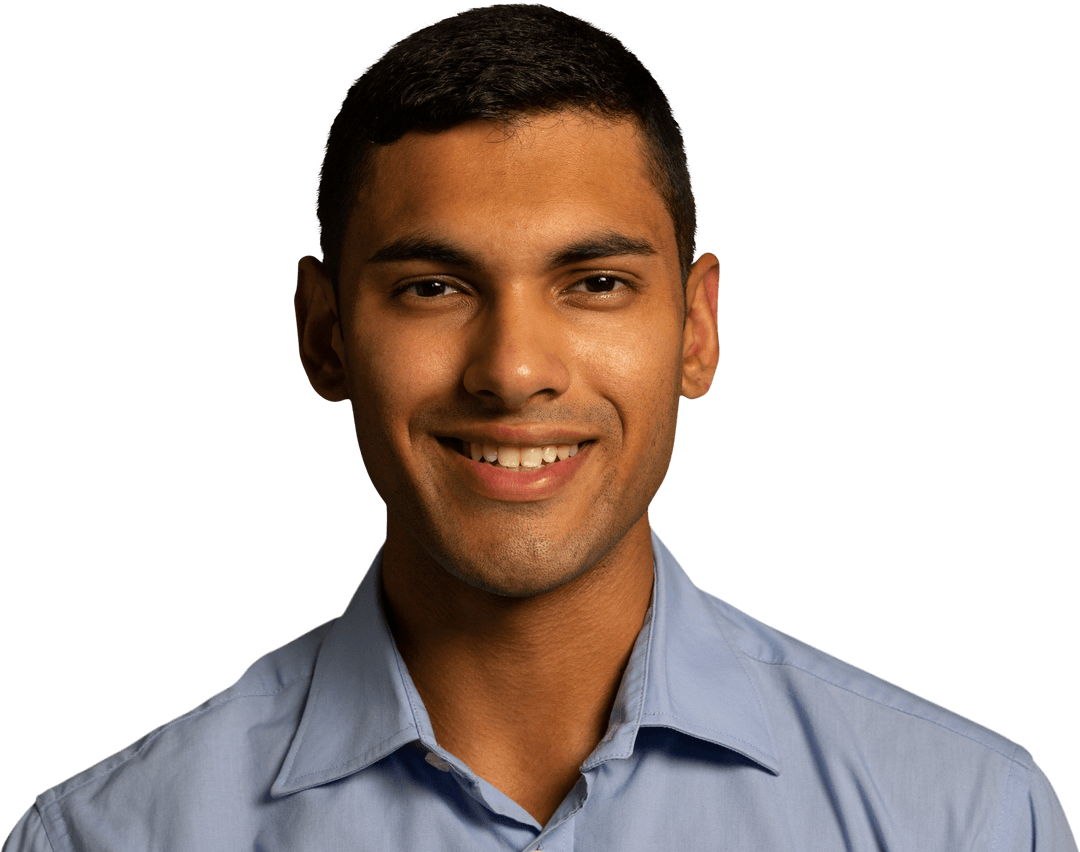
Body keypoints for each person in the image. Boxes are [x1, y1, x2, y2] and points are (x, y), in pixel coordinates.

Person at [5, 4, 1075, 850]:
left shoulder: (966, 823)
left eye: (596, 282)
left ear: (695, 330)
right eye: (433, 288)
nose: (515, 371)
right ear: (324, 335)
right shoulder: (108, 839)